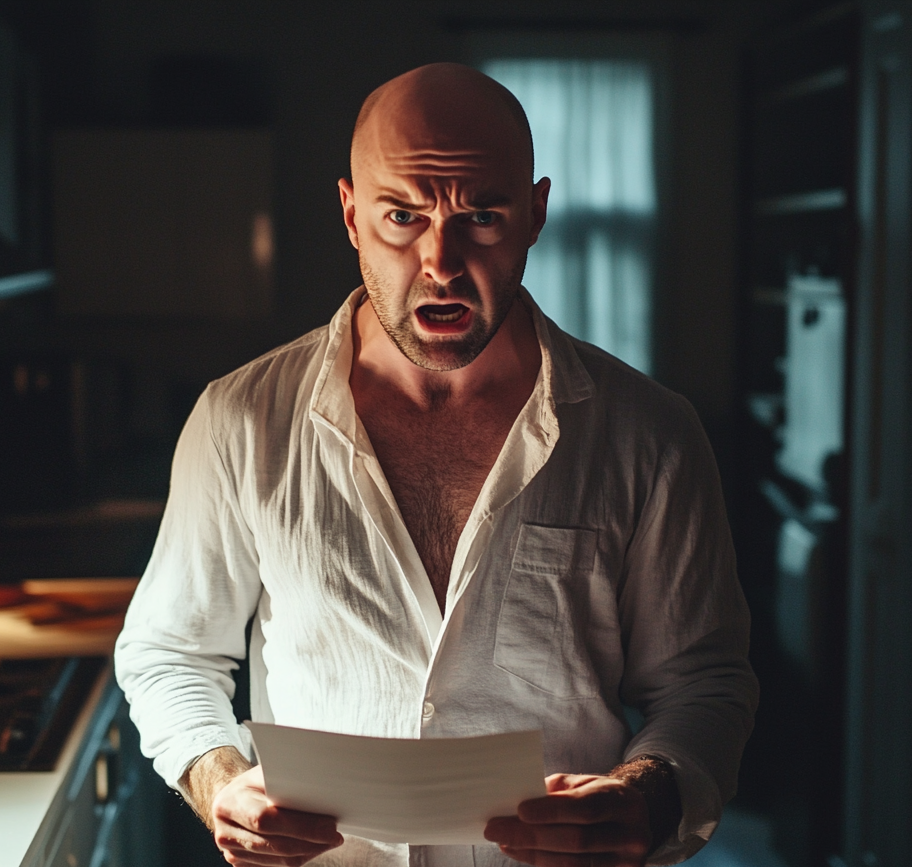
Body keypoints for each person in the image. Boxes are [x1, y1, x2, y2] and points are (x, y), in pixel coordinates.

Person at [115, 62, 757, 867]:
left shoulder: (649, 433)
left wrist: (652, 793)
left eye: (481, 216)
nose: (441, 262)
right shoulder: (241, 419)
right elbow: (168, 650)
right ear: (351, 215)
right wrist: (221, 783)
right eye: (401, 216)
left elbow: (703, 681)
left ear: (535, 213)